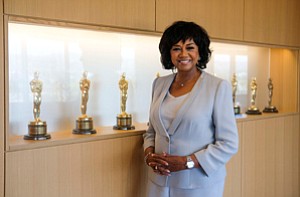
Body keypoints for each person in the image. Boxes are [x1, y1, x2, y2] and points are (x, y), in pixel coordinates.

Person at [143, 21, 239, 197]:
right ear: (169, 53)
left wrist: (187, 162)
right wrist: (149, 155)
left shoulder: (217, 87)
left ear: (199, 52)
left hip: (199, 184)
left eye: (190, 47)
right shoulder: (159, 84)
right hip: (159, 183)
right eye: (176, 48)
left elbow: (229, 143)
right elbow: (151, 131)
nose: (183, 54)